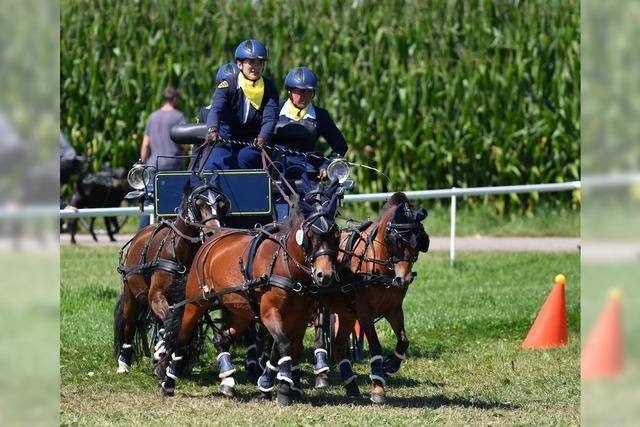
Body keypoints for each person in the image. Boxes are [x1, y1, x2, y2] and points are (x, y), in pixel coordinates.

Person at [203, 39, 278, 172]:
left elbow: (270, 118)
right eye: (251, 62)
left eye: (260, 63)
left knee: (244, 160)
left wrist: (263, 136)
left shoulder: (269, 88)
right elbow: (216, 110)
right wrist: (213, 130)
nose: (256, 67)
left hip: (252, 143)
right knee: (213, 163)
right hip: (224, 141)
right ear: (239, 64)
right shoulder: (228, 85)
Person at [272, 66, 348, 188]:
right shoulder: (274, 109)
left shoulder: (320, 115)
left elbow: (340, 146)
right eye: (300, 91)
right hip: (277, 168)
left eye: (309, 91)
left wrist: (326, 166)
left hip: (307, 170)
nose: (305, 96)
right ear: (289, 91)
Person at [139, 86, 186, 229]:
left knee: (148, 202)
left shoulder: (152, 116)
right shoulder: (179, 117)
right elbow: (184, 143)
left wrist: (143, 164)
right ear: (174, 99)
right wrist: (183, 156)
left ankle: (141, 233)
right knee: (175, 202)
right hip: (172, 164)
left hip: (153, 164)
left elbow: (145, 144)